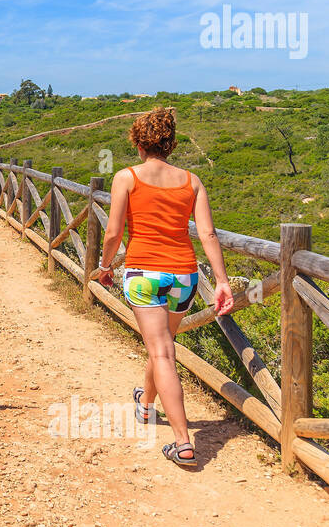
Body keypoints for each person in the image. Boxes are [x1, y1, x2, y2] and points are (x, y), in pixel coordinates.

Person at [93, 107, 233, 467]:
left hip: (144, 275)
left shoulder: (126, 177)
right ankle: (146, 403)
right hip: (184, 278)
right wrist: (221, 281)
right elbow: (207, 234)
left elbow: (112, 232)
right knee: (163, 348)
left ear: (139, 144)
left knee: (162, 353)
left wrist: (105, 266)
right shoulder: (192, 181)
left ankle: (184, 443)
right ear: (170, 144)